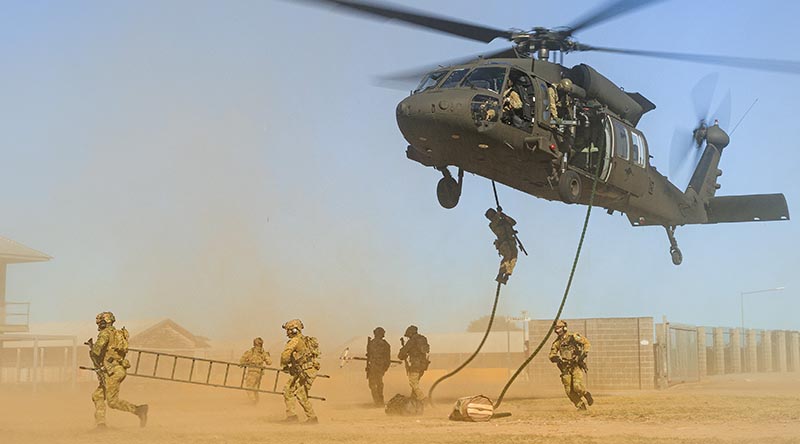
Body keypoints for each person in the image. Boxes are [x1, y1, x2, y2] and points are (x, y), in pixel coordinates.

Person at [88, 311, 148, 428]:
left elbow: (97, 351)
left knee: (112, 402)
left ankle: (139, 410)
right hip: (117, 369)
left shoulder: (105, 333)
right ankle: (101, 424)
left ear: (105, 322)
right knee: (98, 395)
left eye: (100, 322)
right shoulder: (118, 333)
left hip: (112, 371)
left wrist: (92, 349)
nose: (99, 325)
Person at [280, 319, 320, 424]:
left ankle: (312, 418)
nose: (287, 332)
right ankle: (292, 416)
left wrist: (284, 365)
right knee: (288, 390)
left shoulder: (295, 341)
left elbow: (285, 356)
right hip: (306, 370)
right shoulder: (306, 340)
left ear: (294, 330)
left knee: (300, 393)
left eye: (288, 330)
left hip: (305, 371)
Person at [548, 320, 594, 410]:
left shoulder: (573, 337)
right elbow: (551, 355)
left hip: (575, 365)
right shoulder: (557, 343)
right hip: (565, 368)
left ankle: (586, 394)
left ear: (564, 328)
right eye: (556, 329)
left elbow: (586, 343)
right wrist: (556, 358)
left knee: (577, 387)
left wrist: (583, 354)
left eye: (559, 328)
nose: (558, 330)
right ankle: (581, 406)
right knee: (569, 391)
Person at [485, 208, 519, 284]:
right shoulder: (492, 225)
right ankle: (500, 274)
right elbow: (496, 220)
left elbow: (513, 222)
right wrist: (499, 213)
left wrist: (505, 216)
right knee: (508, 256)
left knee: (514, 257)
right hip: (503, 243)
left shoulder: (504, 221)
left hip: (511, 242)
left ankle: (507, 275)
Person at [397, 325, 430, 401]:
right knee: (416, 383)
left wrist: (402, 353)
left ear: (410, 333)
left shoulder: (412, 341)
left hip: (415, 365)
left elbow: (402, 354)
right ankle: (414, 399)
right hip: (423, 364)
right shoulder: (423, 339)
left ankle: (423, 398)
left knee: (413, 383)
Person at [239, 337, 272, 404]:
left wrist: (246, 363)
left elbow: (241, 362)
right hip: (259, 373)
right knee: (255, 388)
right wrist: (268, 356)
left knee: (249, 387)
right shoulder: (263, 353)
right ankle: (256, 401)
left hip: (252, 371)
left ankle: (253, 401)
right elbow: (269, 362)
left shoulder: (250, 352)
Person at [365, 327, 391, 406]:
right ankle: (379, 400)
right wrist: (385, 367)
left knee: (373, 384)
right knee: (378, 383)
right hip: (379, 367)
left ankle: (377, 401)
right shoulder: (385, 344)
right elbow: (387, 358)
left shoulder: (371, 343)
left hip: (374, 366)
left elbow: (369, 355)